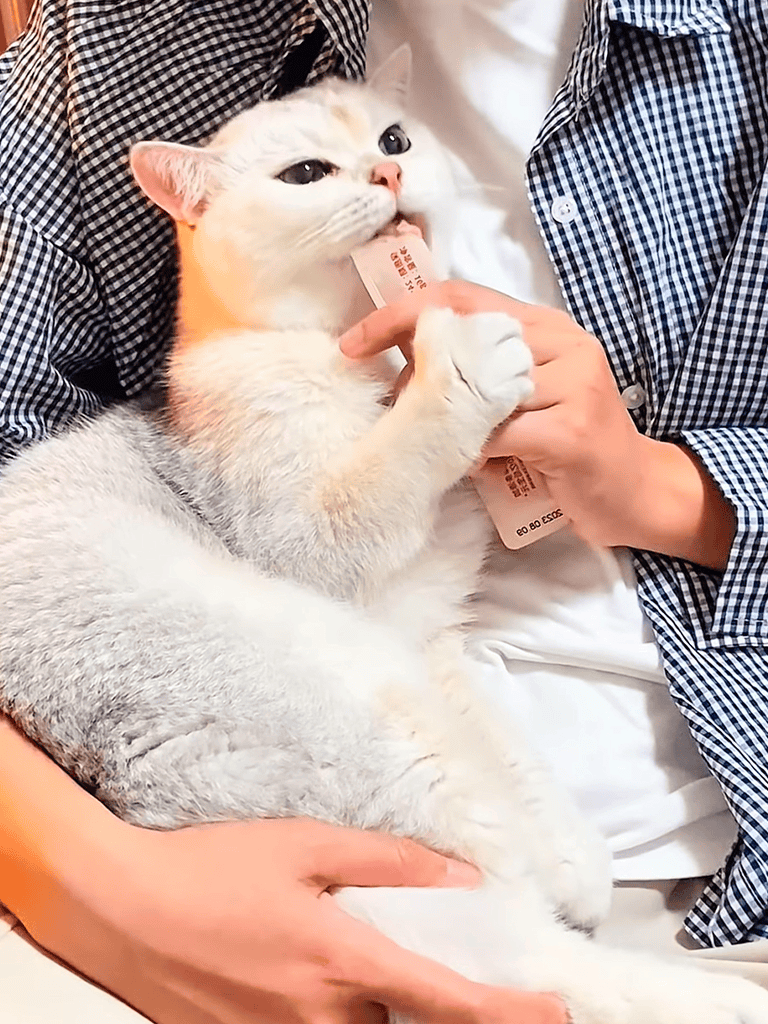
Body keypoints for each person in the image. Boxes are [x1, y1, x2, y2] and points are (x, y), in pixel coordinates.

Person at [1, 0, 767, 1021]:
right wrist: (89, 880)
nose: (384, 180)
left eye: (395, 150)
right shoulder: (108, 47)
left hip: (717, 863)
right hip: (196, 850)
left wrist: (667, 490)